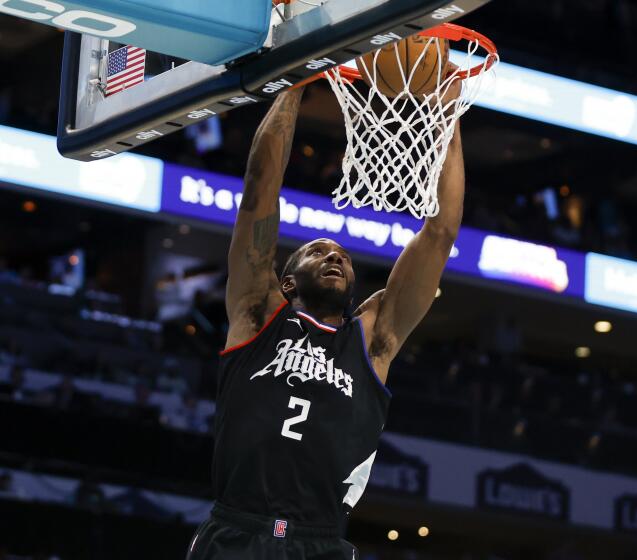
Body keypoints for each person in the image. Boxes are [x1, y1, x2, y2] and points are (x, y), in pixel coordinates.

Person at [188, 77, 464, 560]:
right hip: (237, 529)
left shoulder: (373, 339)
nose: (335, 258)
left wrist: (448, 117)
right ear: (286, 281)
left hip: (321, 543)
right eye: (318, 252)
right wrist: (294, 85)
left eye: (343, 257)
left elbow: (439, 233)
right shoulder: (257, 316)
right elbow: (259, 191)